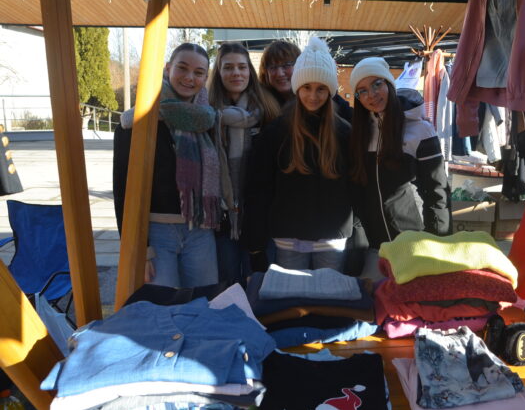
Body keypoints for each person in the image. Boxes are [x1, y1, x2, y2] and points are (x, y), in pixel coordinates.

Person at [113, 43, 221, 288]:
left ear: (205, 78)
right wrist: (139, 249)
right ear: (168, 68)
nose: (189, 77)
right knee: (161, 305)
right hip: (156, 233)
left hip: (201, 230)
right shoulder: (138, 122)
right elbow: (122, 191)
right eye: (182, 68)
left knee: (203, 303)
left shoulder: (209, 120)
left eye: (198, 72)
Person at [245, 37, 353, 271]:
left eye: (321, 88)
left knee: (328, 292)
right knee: (292, 293)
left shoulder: (344, 132)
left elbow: (356, 186)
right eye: (306, 87)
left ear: (330, 91)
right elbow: (259, 187)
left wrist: (359, 239)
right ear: (297, 88)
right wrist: (256, 244)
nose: (313, 96)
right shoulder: (276, 131)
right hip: (288, 235)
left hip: (331, 236)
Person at [348, 57, 450, 250]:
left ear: (389, 84)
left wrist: (438, 243)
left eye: (377, 84)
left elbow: (437, 192)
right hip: (374, 246)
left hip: (414, 243)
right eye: (362, 91)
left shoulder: (419, 130)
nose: (371, 95)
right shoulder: (359, 134)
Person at [208, 42, 281, 285]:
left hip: (260, 218)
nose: (236, 73)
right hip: (222, 218)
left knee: (261, 287)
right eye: (228, 67)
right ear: (218, 72)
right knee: (228, 287)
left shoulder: (267, 110)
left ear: (250, 70)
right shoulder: (207, 113)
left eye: (242, 67)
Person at [259, 39, 354, 121]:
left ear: (299, 65)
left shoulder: (327, 98)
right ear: (265, 72)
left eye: (286, 65)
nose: (280, 73)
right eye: (273, 67)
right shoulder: (260, 104)